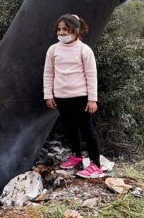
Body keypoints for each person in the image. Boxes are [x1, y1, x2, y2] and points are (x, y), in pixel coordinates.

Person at [43, 13, 104, 179]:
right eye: (59, 29)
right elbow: (48, 73)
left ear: (76, 31)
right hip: (62, 98)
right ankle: (77, 156)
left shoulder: (84, 50)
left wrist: (92, 99)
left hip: (81, 98)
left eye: (66, 29)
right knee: (70, 128)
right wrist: (48, 95)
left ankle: (95, 165)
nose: (62, 32)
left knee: (87, 130)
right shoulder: (53, 50)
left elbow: (91, 76)